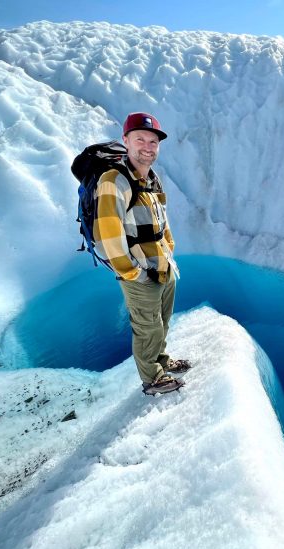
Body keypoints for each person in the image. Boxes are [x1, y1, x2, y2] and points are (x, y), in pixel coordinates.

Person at [94, 112, 190, 395]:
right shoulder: (114, 181)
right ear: (126, 141)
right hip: (139, 272)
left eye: (153, 141)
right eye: (140, 139)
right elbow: (107, 234)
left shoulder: (151, 179)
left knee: (161, 321)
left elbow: (162, 221)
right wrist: (132, 272)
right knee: (147, 327)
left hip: (163, 266)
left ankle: (162, 361)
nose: (147, 146)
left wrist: (169, 251)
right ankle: (152, 379)